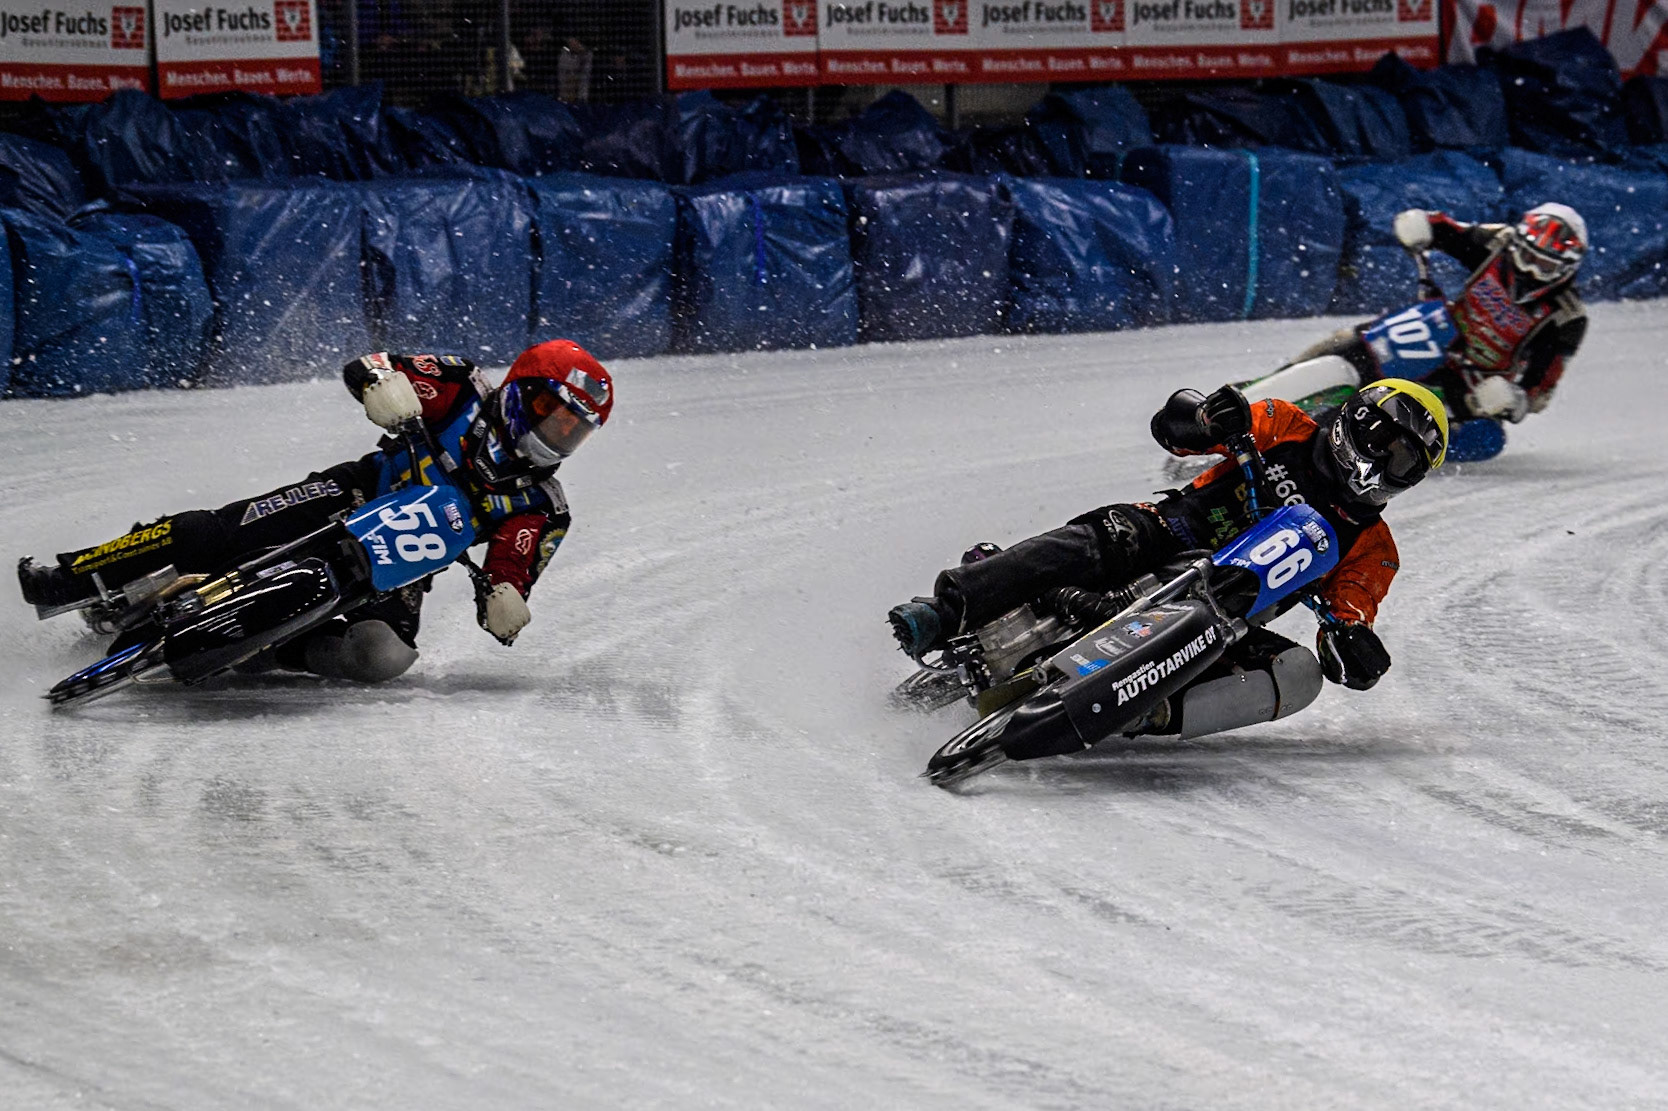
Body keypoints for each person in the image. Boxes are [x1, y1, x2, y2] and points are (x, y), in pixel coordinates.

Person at [17, 339, 612, 683]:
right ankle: (71, 575)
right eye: (555, 416)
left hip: (404, 563)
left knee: (385, 655)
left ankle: (273, 646)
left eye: (574, 432)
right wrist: (380, 385)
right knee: (213, 532)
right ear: (522, 391)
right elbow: (376, 365)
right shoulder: (461, 385)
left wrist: (506, 597)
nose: (559, 436)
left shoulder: (543, 507)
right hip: (353, 491)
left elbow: (514, 568)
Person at [888, 379, 1449, 737]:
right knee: (1105, 535)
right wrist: (1209, 419)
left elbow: (1350, 615)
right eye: (1383, 440)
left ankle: (1151, 712)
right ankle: (945, 611)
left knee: (1298, 675)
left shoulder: (1374, 550)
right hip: (1169, 531)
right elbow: (1176, 430)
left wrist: (1351, 644)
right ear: (1354, 420)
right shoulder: (1285, 424)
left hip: (1228, 618)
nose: (1382, 462)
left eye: (1403, 461)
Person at [1273, 204, 1588, 428]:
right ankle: (1278, 382)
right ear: (1518, 242)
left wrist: (1514, 400)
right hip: (1436, 330)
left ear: (1566, 269)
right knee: (1354, 340)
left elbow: (1541, 388)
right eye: (1528, 256)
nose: (1531, 270)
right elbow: (1448, 231)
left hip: (1473, 381)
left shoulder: (1565, 317)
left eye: (1544, 266)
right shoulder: (1498, 243)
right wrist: (1421, 225)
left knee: (1434, 413)